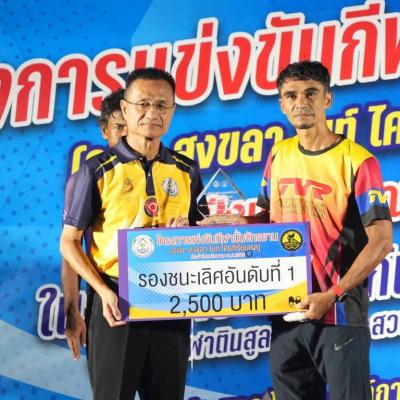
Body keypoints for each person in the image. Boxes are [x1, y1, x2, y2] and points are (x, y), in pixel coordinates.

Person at [202, 60, 393, 399]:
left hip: (338, 314)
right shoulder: (279, 154)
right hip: (286, 310)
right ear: (281, 104)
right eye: (291, 95)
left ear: (327, 99)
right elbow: (271, 220)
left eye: (310, 93)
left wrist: (332, 294)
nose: (300, 102)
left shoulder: (358, 161)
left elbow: (381, 241)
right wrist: (242, 222)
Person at [60, 67, 204, 400]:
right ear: (125, 110)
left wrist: (189, 235)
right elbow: (69, 242)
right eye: (143, 104)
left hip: (171, 301)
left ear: (173, 111)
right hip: (116, 301)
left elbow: (201, 232)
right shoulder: (96, 169)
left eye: (162, 105)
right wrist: (102, 292)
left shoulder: (187, 169)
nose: (152, 113)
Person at [62, 89, 126, 361]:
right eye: (118, 127)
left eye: (131, 126)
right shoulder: (88, 177)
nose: (126, 135)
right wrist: (72, 311)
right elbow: (70, 247)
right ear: (104, 130)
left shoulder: (165, 172)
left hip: (160, 301)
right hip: (108, 296)